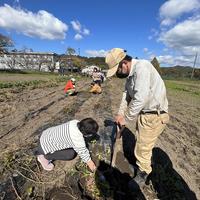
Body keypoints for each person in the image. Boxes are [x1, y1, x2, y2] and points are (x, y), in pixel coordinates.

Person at [105, 48, 169, 189]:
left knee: (143, 147)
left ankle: (144, 174)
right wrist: (120, 114)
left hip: (154, 115)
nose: (117, 74)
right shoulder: (130, 76)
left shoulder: (142, 67)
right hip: (145, 115)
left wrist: (126, 119)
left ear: (124, 63)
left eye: (117, 70)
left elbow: (140, 99)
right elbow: (125, 96)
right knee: (141, 143)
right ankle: (144, 164)